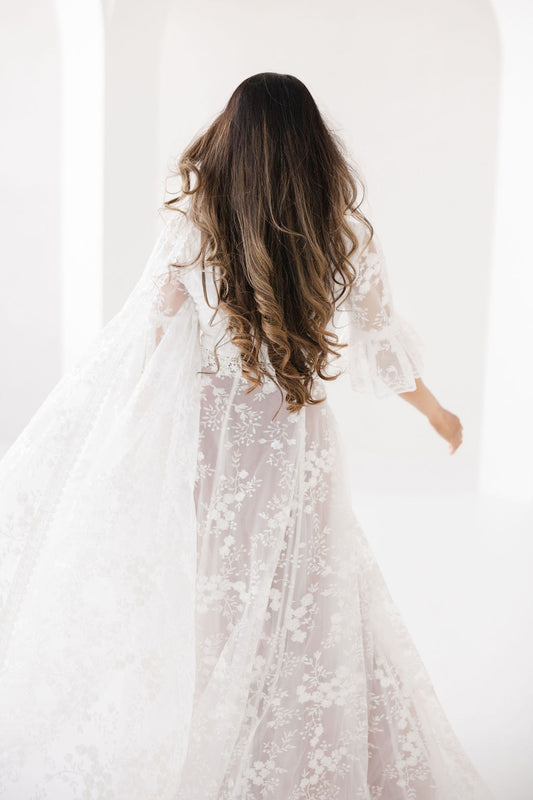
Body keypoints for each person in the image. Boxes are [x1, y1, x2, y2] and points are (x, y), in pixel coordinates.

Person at [0, 72, 493, 799]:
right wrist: (437, 413)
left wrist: (126, 433)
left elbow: (150, 335)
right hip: (295, 439)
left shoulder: (194, 224)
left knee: (217, 598)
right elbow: (382, 345)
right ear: (313, 146)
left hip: (211, 441)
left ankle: (226, 744)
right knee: (311, 591)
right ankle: (292, 744)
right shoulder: (342, 234)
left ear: (231, 139)